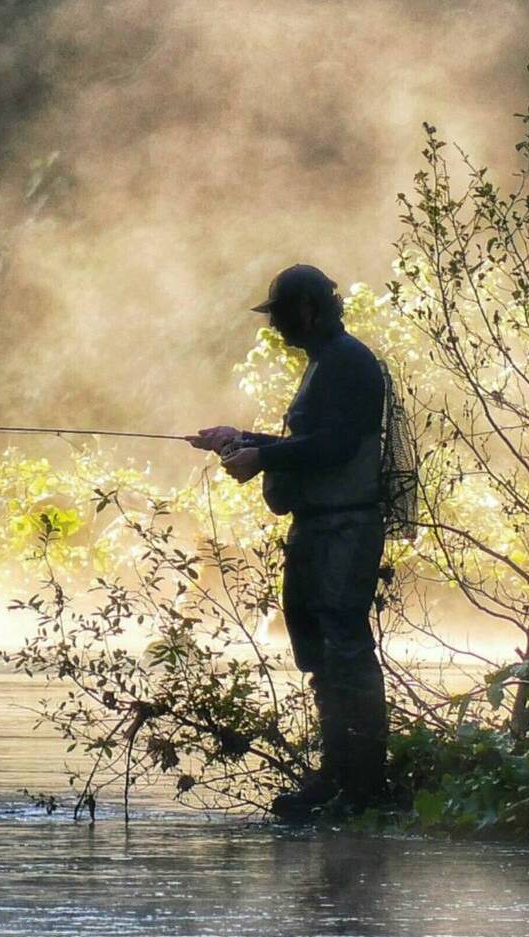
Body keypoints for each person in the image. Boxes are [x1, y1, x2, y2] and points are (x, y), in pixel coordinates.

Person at [194, 264, 388, 822]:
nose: (275, 326)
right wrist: (236, 439)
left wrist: (263, 456)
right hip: (319, 527)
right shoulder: (325, 362)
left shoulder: (349, 363)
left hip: (344, 529)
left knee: (345, 653)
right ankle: (338, 777)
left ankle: (360, 786)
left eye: (279, 314)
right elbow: (311, 443)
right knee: (322, 657)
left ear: (306, 310)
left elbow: (333, 446)